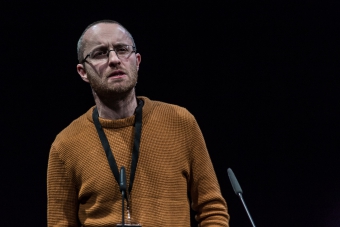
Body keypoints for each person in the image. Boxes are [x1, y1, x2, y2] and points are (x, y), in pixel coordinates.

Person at [47, 19, 230, 227]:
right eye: (100, 53)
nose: (114, 59)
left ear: (137, 60)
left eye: (122, 49)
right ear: (82, 72)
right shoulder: (65, 145)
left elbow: (212, 210)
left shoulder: (181, 122)